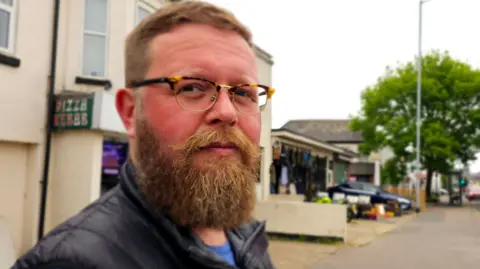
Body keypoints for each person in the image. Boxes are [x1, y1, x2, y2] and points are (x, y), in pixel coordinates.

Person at [11, 1, 276, 269]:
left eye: (243, 93)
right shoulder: (71, 263)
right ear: (130, 112)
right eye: (192, 87)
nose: (227, 112)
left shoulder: (247, 236)